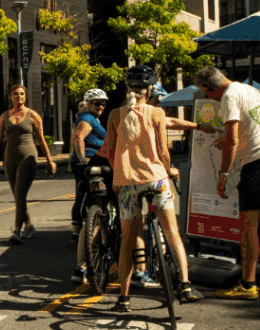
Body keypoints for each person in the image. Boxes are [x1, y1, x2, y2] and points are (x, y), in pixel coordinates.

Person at [98, 64, 202, 312]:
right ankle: (185, 285)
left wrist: (120, 173)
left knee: (128, 240)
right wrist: (169, 170)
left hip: (126, 183)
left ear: (128, 88)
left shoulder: (114, 115)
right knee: (172, 232)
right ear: (150, 89)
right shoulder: (156, 114)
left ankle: (123, 298)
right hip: (155, 179)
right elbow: (163, 151)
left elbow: (109, 153)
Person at [194, 65, 260, 298]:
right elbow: (248, 129)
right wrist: (227, 141)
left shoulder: (228, 97)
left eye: (206, 93)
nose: (208, 97)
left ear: (210, 88)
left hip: (256, 162)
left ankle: (247, 286)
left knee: (248, 226)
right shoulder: (247, 89)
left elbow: (233, 140)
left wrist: (224, 176)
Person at [0, 84, 57, 244]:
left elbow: (41, 139)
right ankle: (29, 226)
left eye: (21, 94)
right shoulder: (4, 116)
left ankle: (17, 231)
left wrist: (49, 160)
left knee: (19, 193)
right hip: (10, 158)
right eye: (15, 94)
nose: (19, 97)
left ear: (25, 97)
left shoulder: (32, 116)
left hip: (28, 156)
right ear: (11, 97)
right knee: (18, 195)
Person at [69, 89, 109, 283]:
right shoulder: (87, 118)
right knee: (97, 205)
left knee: (86, 201)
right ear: (88, 104)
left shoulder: (92, 118)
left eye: (103, 103)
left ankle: (79, 228)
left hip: (91, 163)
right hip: (91, 165)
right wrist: (84, 158)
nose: (100, 106)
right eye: (97, 103)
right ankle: (83, 265)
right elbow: (78, 137)